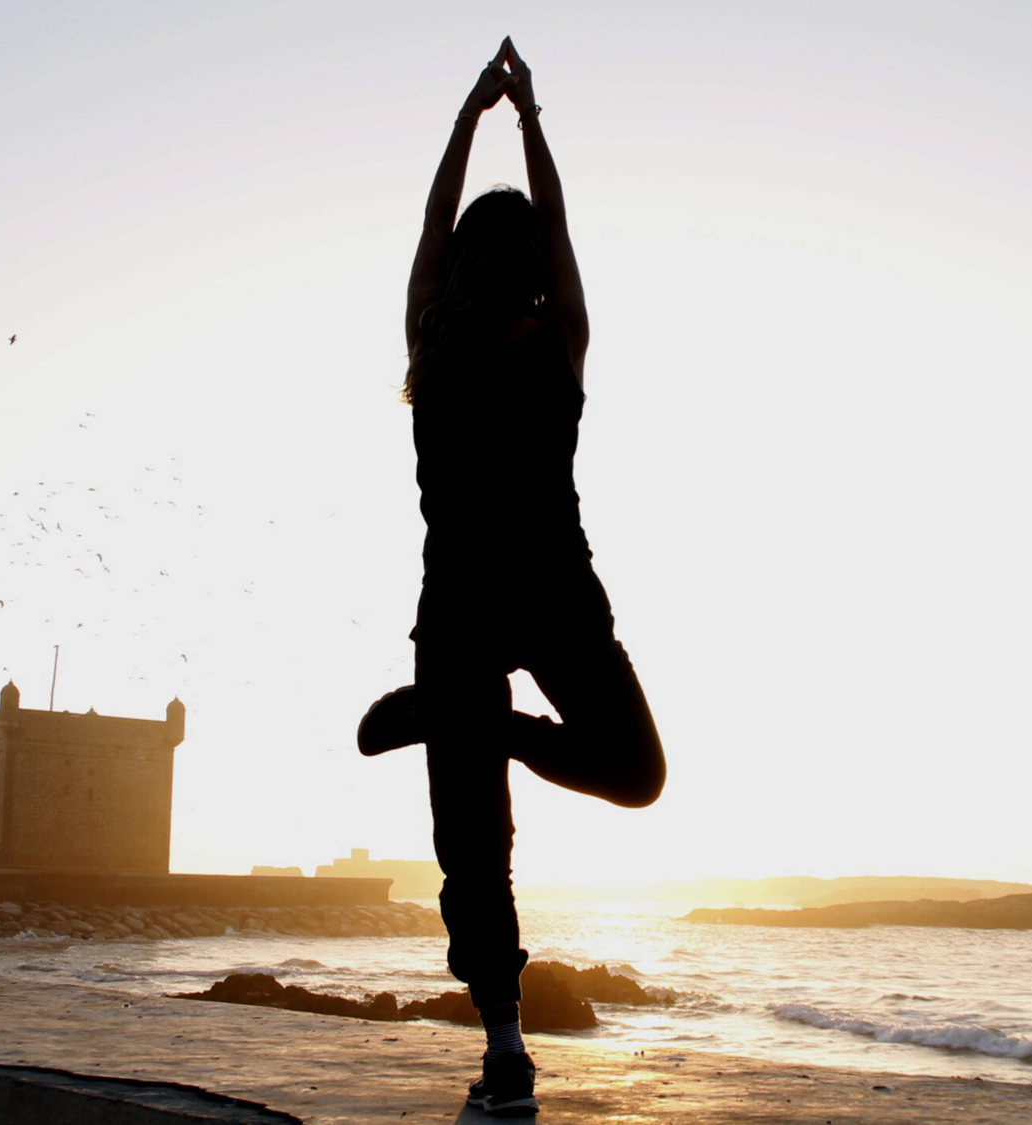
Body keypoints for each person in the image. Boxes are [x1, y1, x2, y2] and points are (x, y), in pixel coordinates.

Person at [355, 37, 666, 1118]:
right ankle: (503, 1056)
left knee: (472, 856)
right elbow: (559, 228)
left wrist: (467, 118)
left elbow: (429, 234)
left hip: (463, 617)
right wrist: (529, 118)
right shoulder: (559, 342)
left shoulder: (428, 344)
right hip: (551, 596)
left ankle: (503, 1050)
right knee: (630, 773)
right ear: (532, 264)